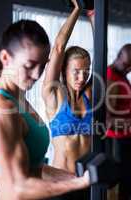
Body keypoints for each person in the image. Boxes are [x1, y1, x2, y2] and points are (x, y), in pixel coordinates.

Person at [0, 2, 91, 200]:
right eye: (29, 66)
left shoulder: (19, 99)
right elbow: (17, 188)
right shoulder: (1, 109)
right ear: (5, 58)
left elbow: (35, 167)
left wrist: (77, 178)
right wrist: (81, 182)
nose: (36, 75)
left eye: (42, 66)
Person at [41, 2, 94, 199]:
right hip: (60, 184)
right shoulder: (54, 95)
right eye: (77, 72)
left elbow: (102, 55)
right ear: (64, 70)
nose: (83, 77)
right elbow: (58, 48)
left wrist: (95, 16)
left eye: (86, 71)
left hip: (86, 181)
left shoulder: (89, 97)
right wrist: (77, 10)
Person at [106, 44, 131, 200]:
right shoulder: (111, 77)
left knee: (127, 190)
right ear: (118, 56)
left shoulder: (119, 75)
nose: (129, 69)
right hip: (118, 143)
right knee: (121, 191)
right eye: (126, 65)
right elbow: (108, 121)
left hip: (127, 141)